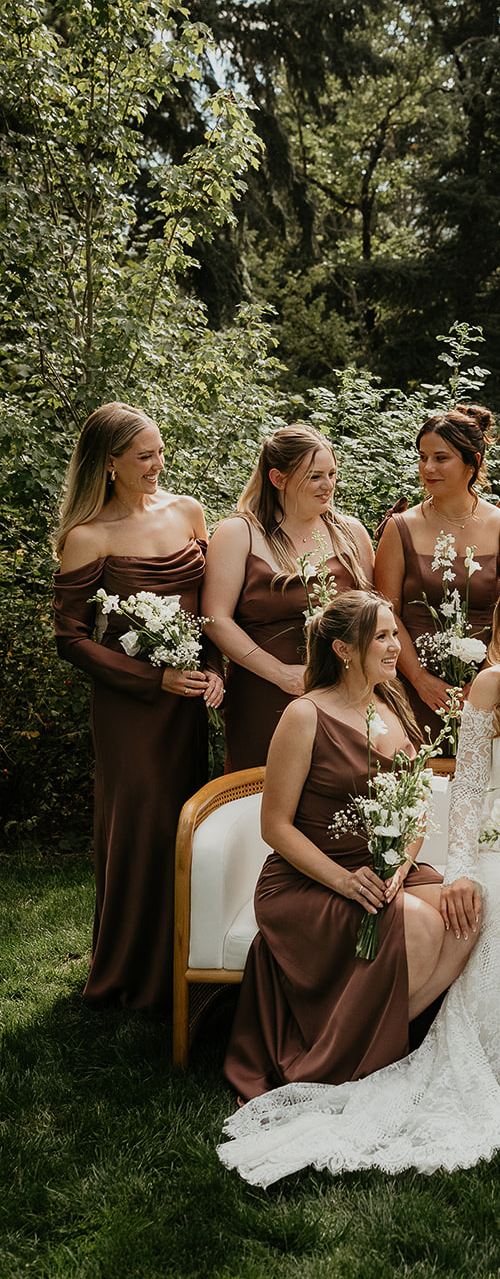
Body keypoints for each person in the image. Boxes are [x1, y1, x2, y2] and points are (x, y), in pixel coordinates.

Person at [218, 566, 500, 1183]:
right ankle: (367, 1053)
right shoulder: (491, 688)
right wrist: (462, 872)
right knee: (478, 917)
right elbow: (465, 797)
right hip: (487, 856)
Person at [223, 590, 472, 1099]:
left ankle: (362, 1046)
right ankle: (355, 1060)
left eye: (392, 635)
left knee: (468, 918)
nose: (394, 647)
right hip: (310, 881)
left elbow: (415, 807)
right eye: (380, 637)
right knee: (423, 925)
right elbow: (275, 826)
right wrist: (344, 879)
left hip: (385, 869)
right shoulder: (304, 715)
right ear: (342, 649)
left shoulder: (391, 705)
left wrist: (400, 866)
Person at [52, 402, 223, 1011]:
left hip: (186, 704)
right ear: (110, 464)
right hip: (130, 707)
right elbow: (69, 636)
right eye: (144, 456)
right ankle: (131, 969)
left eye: (159, 452)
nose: (157, 465)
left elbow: (211, 604)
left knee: (184, 820)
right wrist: (153, 682)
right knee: (140, 823)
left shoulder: (188, 512)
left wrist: (214, 673)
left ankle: (182, 960)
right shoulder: (87, 537)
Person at [202, 425, 375, 771]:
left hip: (343, 695)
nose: (328, 485)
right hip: (264, 695)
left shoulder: (351, 534)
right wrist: (281, 674)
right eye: (314, 477)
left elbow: (372, 620)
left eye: (332, 474)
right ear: (278, 479)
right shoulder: (239, 534)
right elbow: (215, 618)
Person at [374, 404, 500, 744]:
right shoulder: (399, 528)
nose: (428, 468)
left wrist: (489, 678)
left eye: (441, 458)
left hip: (492, 685)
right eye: (422, 457)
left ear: (471, 462)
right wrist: (420, 679)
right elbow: (386, 613)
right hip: (412, 684)